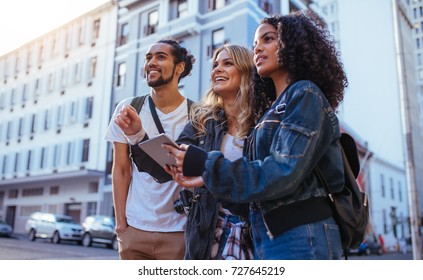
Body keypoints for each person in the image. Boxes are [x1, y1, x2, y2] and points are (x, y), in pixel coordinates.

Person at [164, 11, 348, 260]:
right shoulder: (271, 112)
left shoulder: (305, 94)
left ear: (293, 43)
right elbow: (257, 195)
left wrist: (206, 165)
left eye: (268, 39)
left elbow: (283, 172)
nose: (258, 48)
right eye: (255, 44)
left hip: (302, 234)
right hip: (269, 236)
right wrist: (209, 181)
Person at [117, 44, 274, 259]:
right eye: (215, 64)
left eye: (228, 64)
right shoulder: (202, 121)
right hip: (208, 233)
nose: (217, 69)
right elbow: (167, 169)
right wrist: (137, 135)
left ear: (247, 71)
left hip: (254, 233)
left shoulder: (265, 121)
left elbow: (269, 178)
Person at [104, 39, 195, 260]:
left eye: (160, 57)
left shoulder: (197, 114)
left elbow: (187, 173)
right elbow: (121, 170)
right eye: (148, 58)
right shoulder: (128, 108)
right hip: (134, 229)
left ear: (179, 67)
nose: (151, 63)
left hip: (178, 232)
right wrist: (121, 225)